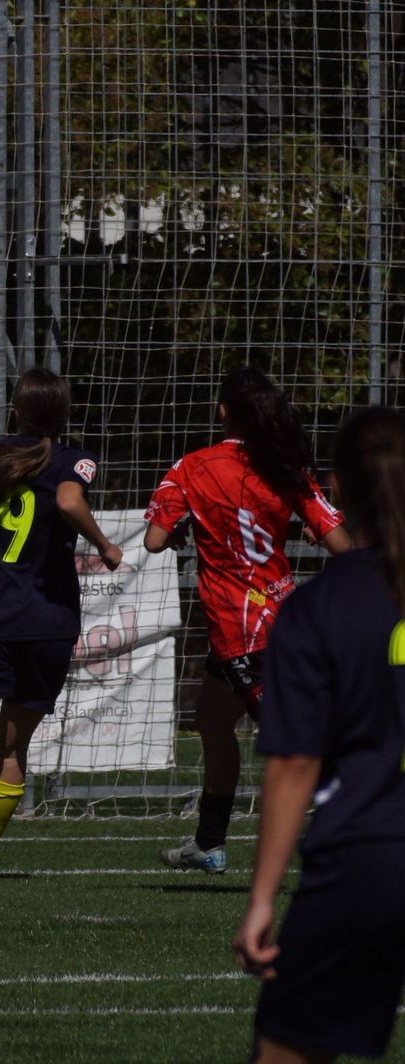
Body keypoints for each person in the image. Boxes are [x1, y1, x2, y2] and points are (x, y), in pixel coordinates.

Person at [232, 406, 405, 1062]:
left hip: (368, 859)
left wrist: (261, 900)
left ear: (335, 488)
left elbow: (295, 764)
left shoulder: (321, 605)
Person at [144, 366, 349, 874]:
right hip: (281, 618)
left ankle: (365, 832)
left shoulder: (192, 466)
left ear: (223, 411)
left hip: (244, 634)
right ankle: (209, 842)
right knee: (211, 720)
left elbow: (153, 539)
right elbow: (340, 544)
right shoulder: (283, 466)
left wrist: (182, 528)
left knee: (297, 749)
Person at [0, 367, 122, 877]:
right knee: (13, 750)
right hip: (49, 621)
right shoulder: (73, 458)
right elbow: (68, 498)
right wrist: (105, 546)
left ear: (14, 411)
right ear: (63, 415)